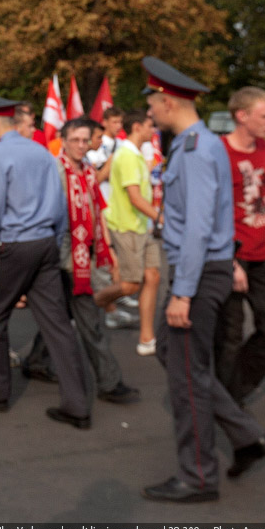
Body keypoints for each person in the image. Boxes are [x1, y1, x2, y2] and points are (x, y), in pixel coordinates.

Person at [138, 57, 265, 503]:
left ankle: (198, 476)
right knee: (179, 361)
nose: (149, 112)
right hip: (207, 269)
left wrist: (182, 292)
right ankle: (246, 434)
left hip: (197, 274)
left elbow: (197, 227)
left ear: (168, 100)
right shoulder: (201, 144)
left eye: (152, 103)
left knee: (187, 380)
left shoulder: (196, 149)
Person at [0, 94, 91, 429]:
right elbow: (59, 204)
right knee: (56, 324)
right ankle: (77, 403)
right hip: (45, 242)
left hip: (16, 244)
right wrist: (54, 241)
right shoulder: (41, 151)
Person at [20, 118, 140, 403]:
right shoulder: (54, 169)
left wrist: (108, 252)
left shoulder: (88, 171)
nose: (80, 146)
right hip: (60, 256)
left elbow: (97, 211)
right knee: (87, 319)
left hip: (81, 255)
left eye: (85, 140)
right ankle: (108, 383)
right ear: (63, 139)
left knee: (64, 316)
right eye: (75, 140)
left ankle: (37, 361)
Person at [214, 87, 265, 404]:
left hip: (261, 256)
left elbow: (262, 202)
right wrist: (230, 261)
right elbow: (212, 213)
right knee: (229, 336)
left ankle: (232, 391)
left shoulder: (264, 148)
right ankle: (228, 404)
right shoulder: (219, 152)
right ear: (242, 116)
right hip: (231, 256)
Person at [93, 109, 162, 354]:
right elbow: (134, 197)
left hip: (142, 226)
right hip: (127, 226)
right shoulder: (127, 156)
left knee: (153, 277)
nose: (153, 130)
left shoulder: (134, 154)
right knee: (131, 285)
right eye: (149, 126)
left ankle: (146, 338)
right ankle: (87, 306)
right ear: (137, 128)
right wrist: (161, 217)